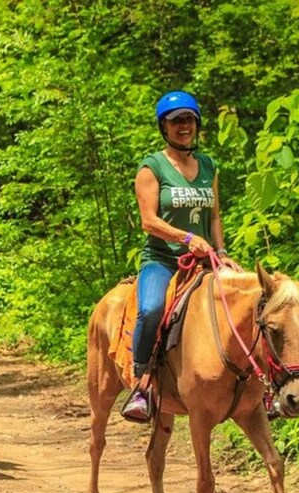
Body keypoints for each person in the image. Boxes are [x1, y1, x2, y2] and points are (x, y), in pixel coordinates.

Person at [121, 91, 242, 423]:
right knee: (150, 309)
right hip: (163, 260)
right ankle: (142, 382)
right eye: (176, 122)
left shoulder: (208, 166)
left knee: (251, 300)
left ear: (197, 123)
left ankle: (261, 387)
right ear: (164, 127)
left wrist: (221, 253)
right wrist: (186, 238)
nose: (183, 127)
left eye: (188, 120)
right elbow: (149, 220)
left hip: (206, 261)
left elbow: (215, 216)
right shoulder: (152, 167)